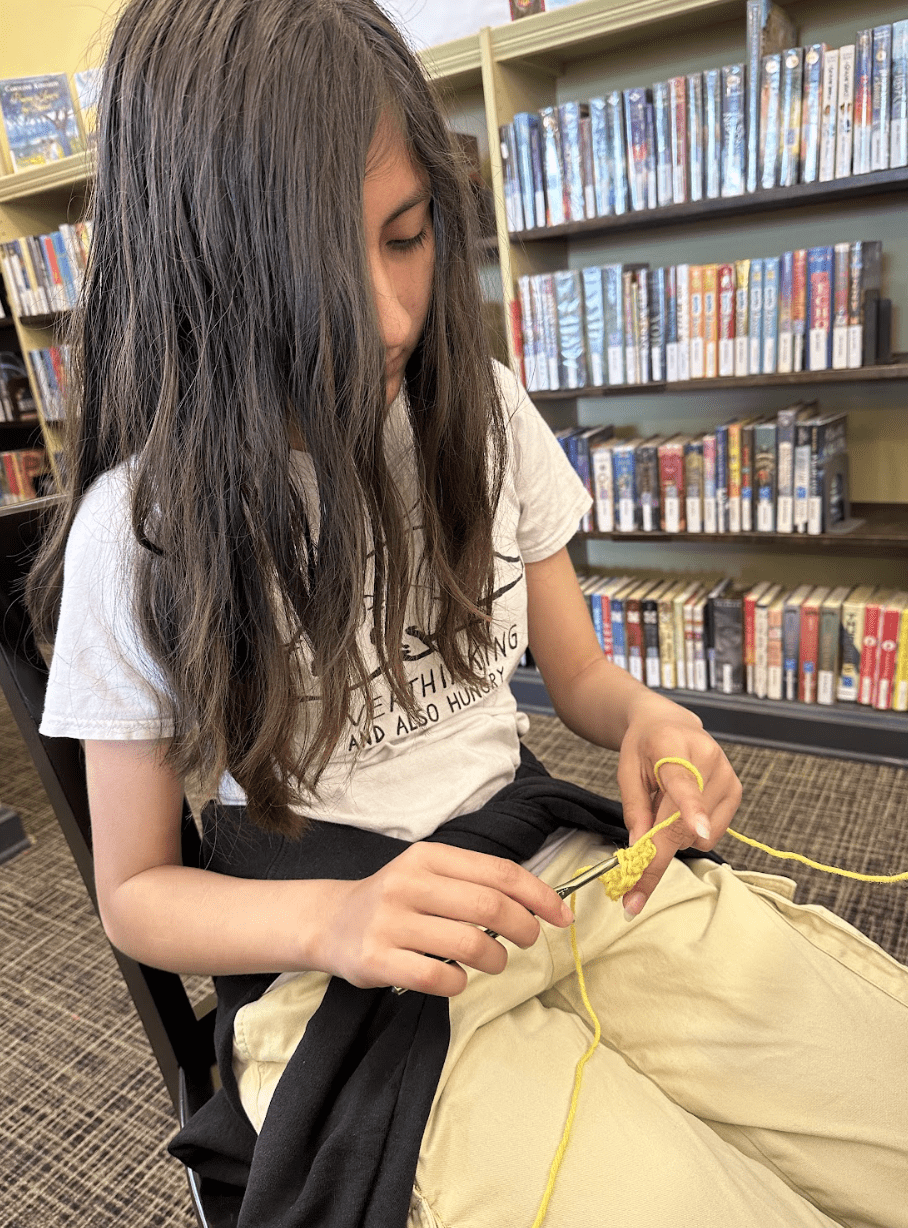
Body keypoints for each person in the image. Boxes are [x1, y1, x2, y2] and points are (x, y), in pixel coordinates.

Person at [28, 2, 907, 1226]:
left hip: (550, 878)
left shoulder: (478, 408)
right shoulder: (145, 532)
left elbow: (583, 676)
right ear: (203, 274)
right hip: (333, 971)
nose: (392, 319)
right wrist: (336, 916)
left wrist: (648, 716)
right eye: (324, 276)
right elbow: (137, 896)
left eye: (406, 237)